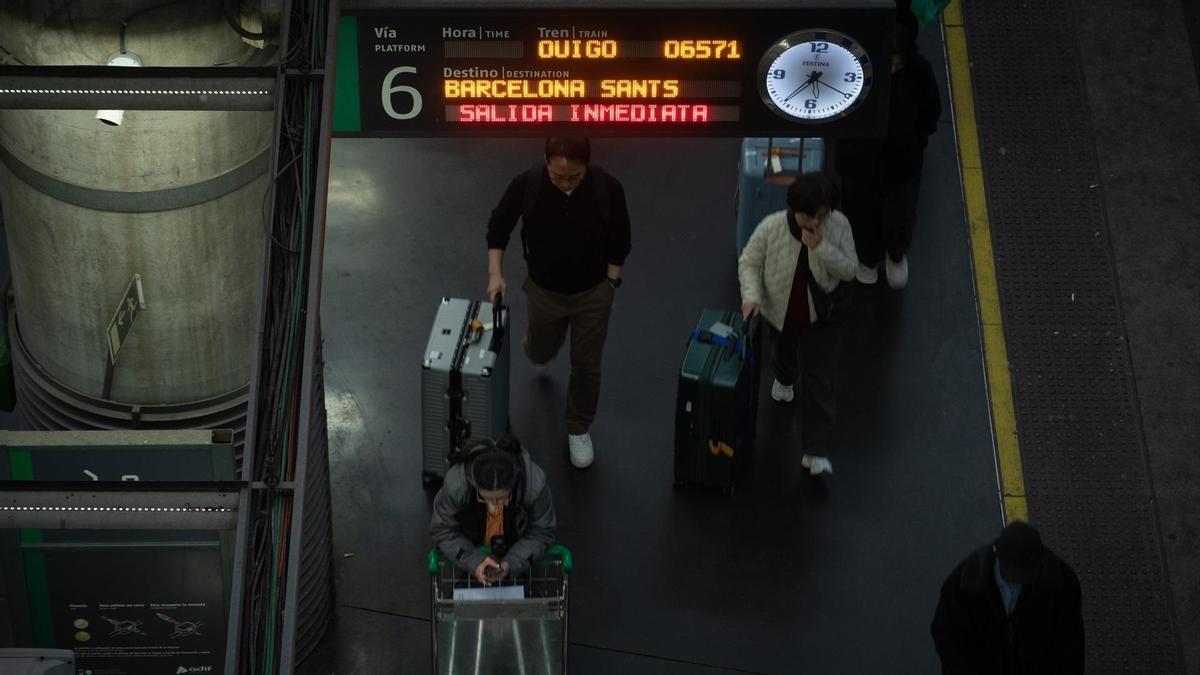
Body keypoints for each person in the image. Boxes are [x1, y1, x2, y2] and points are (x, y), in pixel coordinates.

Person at [486, 137, 632, 469]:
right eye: (558, 176)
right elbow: (498, 227)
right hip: (544, 292)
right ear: (546, 162)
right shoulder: (528, 184)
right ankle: (539, 345)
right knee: (540, 351)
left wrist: (610, 283)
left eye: (574, 177)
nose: (565, 183)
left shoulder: (607, 188)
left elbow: (620, 239)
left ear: (587, 167)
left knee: (587, 364)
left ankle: (578, 427)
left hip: (592, 294)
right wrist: (495, 274)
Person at [737, 173, 858, 476]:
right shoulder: (772, 227)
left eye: (820, 216)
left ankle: (816, 451)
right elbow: (749, 262)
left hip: (821, 319)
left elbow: (849, 269)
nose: (814, 223)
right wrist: (751, 297)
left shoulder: (839, 227)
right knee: (784, 354)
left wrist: (820, 248)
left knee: (819, 382)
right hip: (781, 315)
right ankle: (784, 377)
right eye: (808, 216)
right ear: (794, 209)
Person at [835, 12, 941, 290]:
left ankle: (894, 255)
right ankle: (868, 258)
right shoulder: (859, 67)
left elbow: (931, 112)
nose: (893, 65)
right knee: (861, 213)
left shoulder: (918, 71)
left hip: (897, 164)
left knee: (899, 215)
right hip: (862, 164)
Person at [931, 520, 1085, 674]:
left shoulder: (1062, 584)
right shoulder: (963, 584)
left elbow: (1069, 645)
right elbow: (947, 633)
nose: (1019, 578)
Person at [429, 434, 557, 585]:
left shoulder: (534, 485)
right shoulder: (456, 485)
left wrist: (512, 562)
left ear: (513, 484)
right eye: (486, 498)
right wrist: (475, 562)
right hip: (469, 552)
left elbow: (542, 531)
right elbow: (442, 529)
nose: (494, 507)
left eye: (502, 498)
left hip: (516, 549)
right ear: (474, 483)